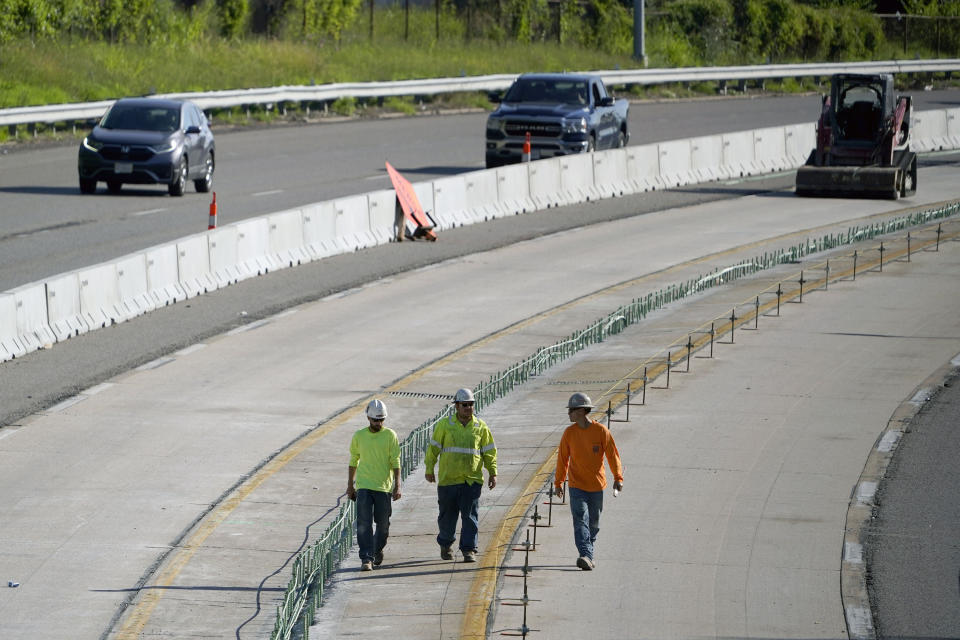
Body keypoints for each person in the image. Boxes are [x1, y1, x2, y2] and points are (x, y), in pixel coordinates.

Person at [424, 388, 497, 562]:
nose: (468, 408)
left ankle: (468, 549)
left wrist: (492, 472)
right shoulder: (445, 425)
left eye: (471, 404)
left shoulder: (481, 427)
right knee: (447, 518)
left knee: (470, 517)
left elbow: (489, 451)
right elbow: (433, 448)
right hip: (448, 480)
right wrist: (429, 469)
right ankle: (446, 543)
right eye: (464, 405)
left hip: (471, 481)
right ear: (456, 406)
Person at [554, 392, 624, 571]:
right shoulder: (569, 433)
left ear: (582, 411)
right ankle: (585, 554)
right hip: (576, 486)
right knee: (580, 519)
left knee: (594, 523)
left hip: (596, 486)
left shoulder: (600, 431)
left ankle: (588, 553)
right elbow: (562, 459)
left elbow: (612, 455)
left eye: (571, 410)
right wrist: (559, 482)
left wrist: (618, 477)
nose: (568, 413)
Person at [347, 399, 401, 571]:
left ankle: (377, 550)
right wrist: (350, 485)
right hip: (364, 487)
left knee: (383, 525)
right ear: (368, 418)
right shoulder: (359, 436)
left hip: (383, 488)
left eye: (381, 420)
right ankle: (366, 558)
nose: (378, 423)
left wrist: (398, 485)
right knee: (364, 524)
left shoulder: (390, 435)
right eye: (375, 420)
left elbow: (396, 461)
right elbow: (353, 460)